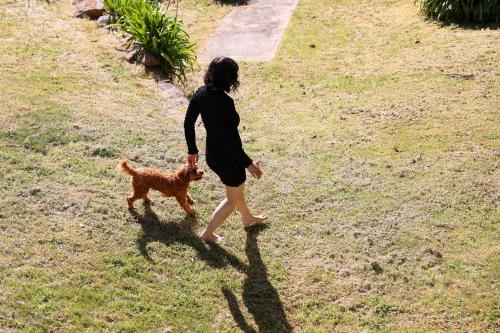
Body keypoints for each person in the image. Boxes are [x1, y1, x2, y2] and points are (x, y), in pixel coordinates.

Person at [184, 56, 267, 243]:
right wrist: (248, 163)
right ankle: (207, 234)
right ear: (229, 78)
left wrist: (192, 149)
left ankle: (247, 218)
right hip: (228, 158)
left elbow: (188, 123)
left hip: (213, 155)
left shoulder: (200, 93)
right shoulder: (225, 102)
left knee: (236, 191)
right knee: (232, 199)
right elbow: (231, 140)